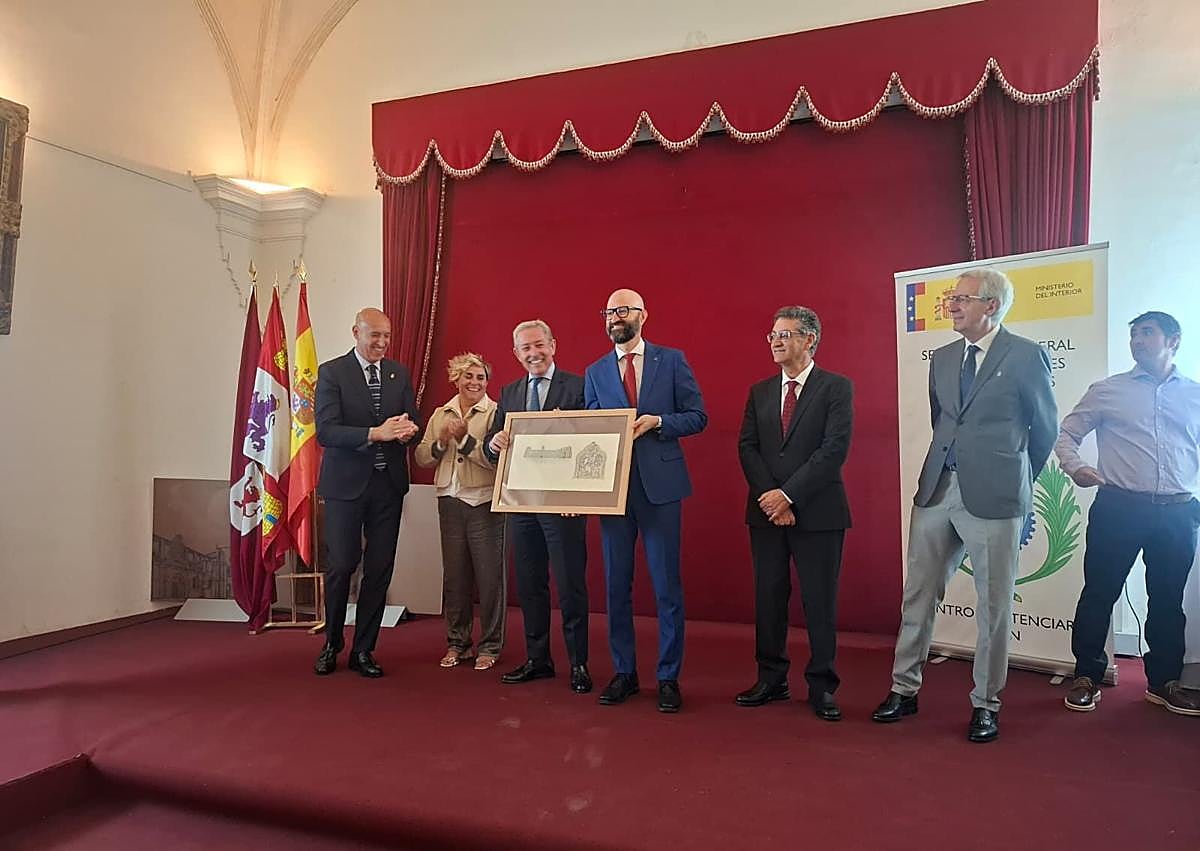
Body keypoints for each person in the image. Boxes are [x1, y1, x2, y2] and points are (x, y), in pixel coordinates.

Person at [872, 268, 1057, 743]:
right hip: (937, 490)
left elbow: (1045, 430)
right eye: (951, 298)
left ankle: (985, 704)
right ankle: (904, 689)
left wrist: (1014, 479)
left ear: (991, 305)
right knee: (918, 595)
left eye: (962, 299)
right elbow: (943, 420)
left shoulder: (1026, 356)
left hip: (996, 496)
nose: (951, 305)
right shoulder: (944, 356)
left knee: (993, 605)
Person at [1055, 311, 1200, 716]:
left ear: (1173, 340)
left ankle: (1164, 682)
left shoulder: (1195, 395)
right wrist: (1076, 467)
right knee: (1099, 593)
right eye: (1133, 334)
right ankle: (1087, 676)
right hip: (1119, 507)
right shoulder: (1107, 390)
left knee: (1168, 599)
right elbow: (1066, 434)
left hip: (1178, 512)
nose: (1137, 340)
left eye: (1147, 333)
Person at [584, 289, 707, 713]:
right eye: (608, 311)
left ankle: (668, 677)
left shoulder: (671, 361)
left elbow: (698, 416)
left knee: (666, 586)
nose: (615, 317)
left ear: (643, 315)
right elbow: (592, 429)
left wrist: (659, 422)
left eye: (623, 310)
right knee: (616, 586)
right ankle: (625, 672)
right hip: (613, 493)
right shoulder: (595, 371)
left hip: (661, 489)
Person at [736, 306, 853, 722]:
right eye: (772, 335)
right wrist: (771, 498)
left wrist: (788, 496)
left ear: (810, 339)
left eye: (784, 334)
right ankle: (771, 678)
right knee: (768, 598)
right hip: (765, 513)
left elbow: (833, 450)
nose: (775, 341)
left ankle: (822, 686)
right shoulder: (760, 391)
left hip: (819, 512)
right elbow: (747, 447)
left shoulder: (836, 388)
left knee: (819, 601)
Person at [484, 320, 592, 693]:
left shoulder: (578, 387)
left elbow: (595, 440)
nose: (534, 353)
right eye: (526, 348)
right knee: (530, 585)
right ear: (516, 354)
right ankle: (538, 659)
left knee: (570, 585)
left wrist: (579, 497)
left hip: (564, 507)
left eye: (539, 345)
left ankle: (579, 663)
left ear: (553, 345)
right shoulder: (509, 392)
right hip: (522, 504)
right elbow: (491, 445)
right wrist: (493, 444)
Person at [313, 308, 420, 678]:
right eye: (375, 335)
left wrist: (407, 430)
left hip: (387, 486)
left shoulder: (398, 373)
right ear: (355, 332)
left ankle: (364, 649)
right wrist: (375, 433)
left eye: (387, 335)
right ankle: (331, 643)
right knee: (342, 565)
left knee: (379, 568)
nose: (382, 342)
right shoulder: (332, 372)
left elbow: (412, 420)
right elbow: (326, 431)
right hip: (345, 487)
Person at [415, 353, 506, 671]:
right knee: (455, 578)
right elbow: (422, 457)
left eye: (481, 377)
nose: (475, 382)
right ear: (456, 378)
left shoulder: (496, 413)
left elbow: (494, 460)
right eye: (469, 376)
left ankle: (490, 645)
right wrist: (441, 442)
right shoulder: (440, 414)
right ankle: (458, 643)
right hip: (449, 501)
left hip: (484, 502)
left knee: (490, 579)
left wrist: (464, 439)